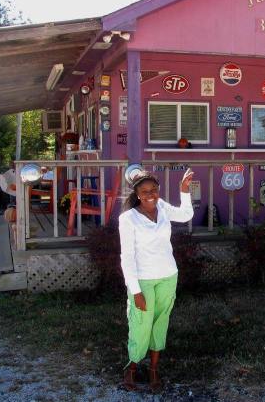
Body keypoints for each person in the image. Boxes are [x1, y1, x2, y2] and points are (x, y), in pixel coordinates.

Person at [118, 168, 194, 392]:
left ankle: (153, 369)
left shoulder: (162, 207)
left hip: (168, 276)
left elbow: (186, 215)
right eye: (145, 191)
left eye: (154, 190)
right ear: (137, 194)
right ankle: (131, 367)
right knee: (140, 326)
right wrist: (136, 290)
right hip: (143, 280)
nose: (150, 194)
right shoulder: (128, 219)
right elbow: (127, 257)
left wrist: (184, 190)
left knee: (160, 323)